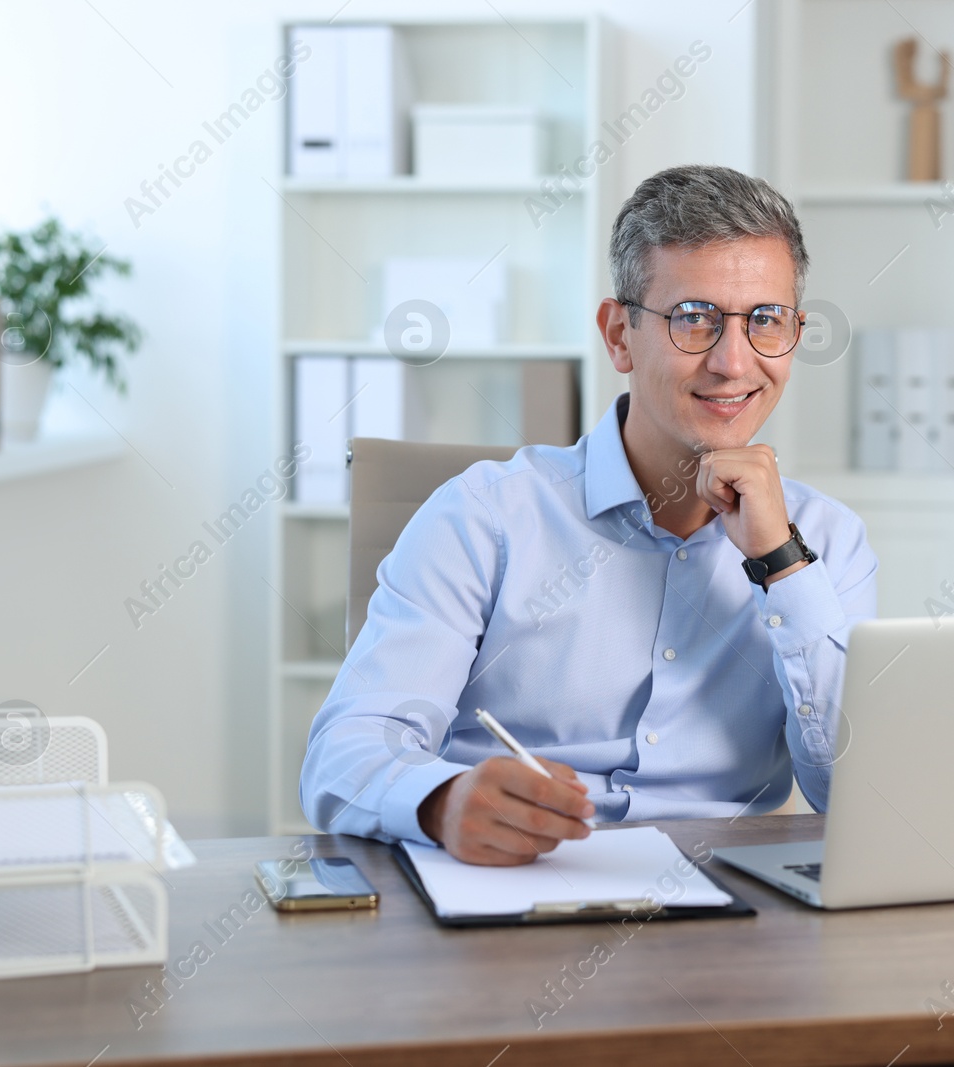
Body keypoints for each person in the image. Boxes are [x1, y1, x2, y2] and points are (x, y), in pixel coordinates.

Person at [300, 164, 878, 865]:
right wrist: (442, 799)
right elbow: (346, 750)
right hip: (513, 893)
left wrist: (782, 562)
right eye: (694, 319)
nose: (733, 361)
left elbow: (852, 798)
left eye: (765, 321)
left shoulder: (829, 544)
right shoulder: (484, 515)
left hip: (732, 913)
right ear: (619, 334)